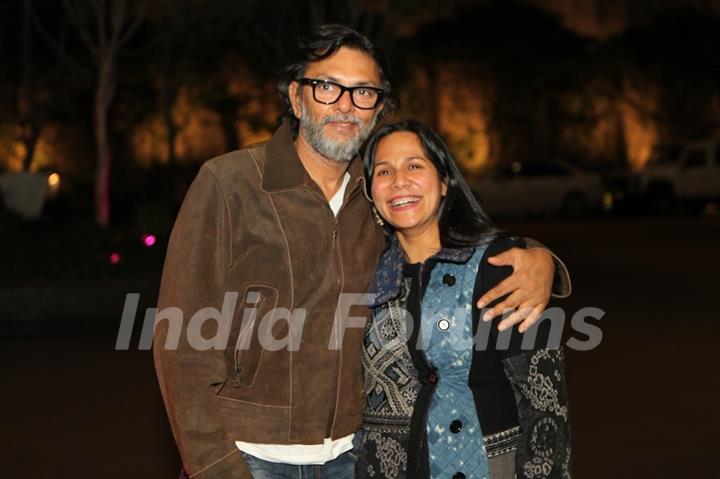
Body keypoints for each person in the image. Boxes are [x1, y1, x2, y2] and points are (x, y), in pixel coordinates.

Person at [153, 24, 570, 479]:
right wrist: (214, 466)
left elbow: (446, 237)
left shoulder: (377, 197)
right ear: (296, 98)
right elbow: (181, 346)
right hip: (251, 457)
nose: (346, 105)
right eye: (328, 87)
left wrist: (538, 257)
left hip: (355, 459)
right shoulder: (229, 184)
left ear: (377, 108)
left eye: (363, 92)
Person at [356, 119, 572, 479]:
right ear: (371, 191)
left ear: (444, 182)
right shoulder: (366, 274)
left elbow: (545, 404)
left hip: (485, 466)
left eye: (414, 165)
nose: (398, 181)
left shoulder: (501, 265)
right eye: (383, 171)